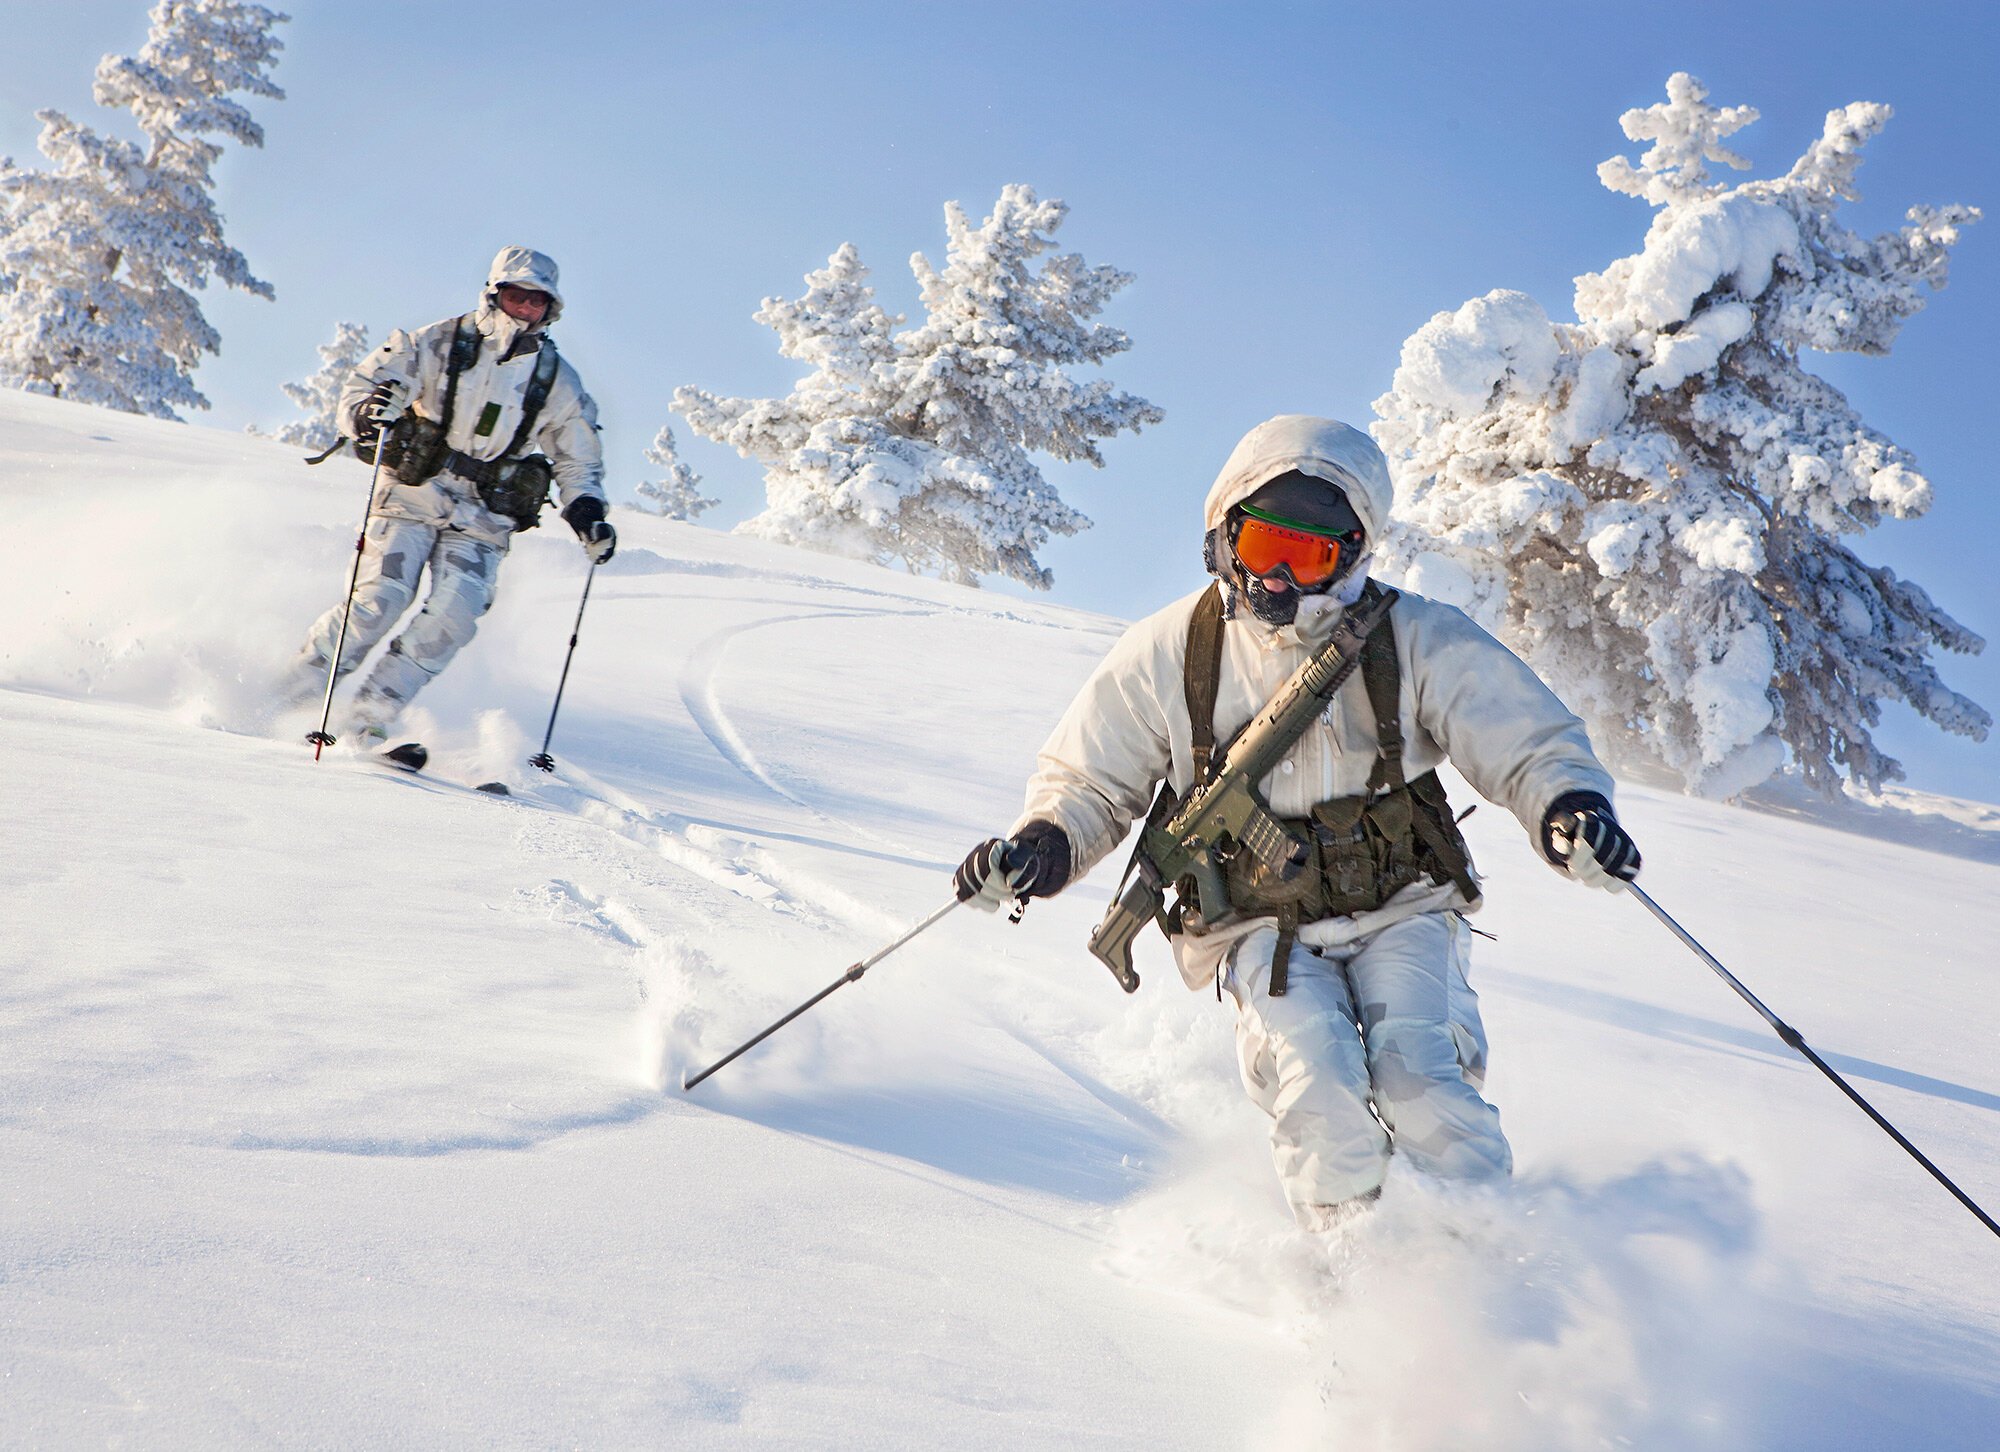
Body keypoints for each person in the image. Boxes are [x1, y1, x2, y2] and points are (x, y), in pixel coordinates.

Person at [953, 415, 1641, 1231]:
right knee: (1318, 1091)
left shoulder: (1413, 638)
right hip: (1256, 924)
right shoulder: (1171, 650)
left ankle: (1486, 1255)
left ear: (1351, 554)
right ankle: (1349, 1267)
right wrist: (1044, 844)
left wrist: (1569, 806)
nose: (1278, 578)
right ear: (1225, 533)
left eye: (1308, 556)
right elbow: (1089, 777)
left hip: (1404, 906)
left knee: (1421, 1086)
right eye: (1263, 546)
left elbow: (1523, 737)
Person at [282, 245, 616, 742]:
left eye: (538, 300)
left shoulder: (557, 381)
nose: (527, 307)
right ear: (495, 293)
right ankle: (292, 698)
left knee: (455, 615)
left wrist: (586, 509)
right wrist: (369, 413)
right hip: (413, 490)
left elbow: (578, 455)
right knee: (381, 599)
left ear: (551, 308)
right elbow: (367, 384)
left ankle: (368, 719)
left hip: (485, 513)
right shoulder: (437, 341)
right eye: (518, 295)